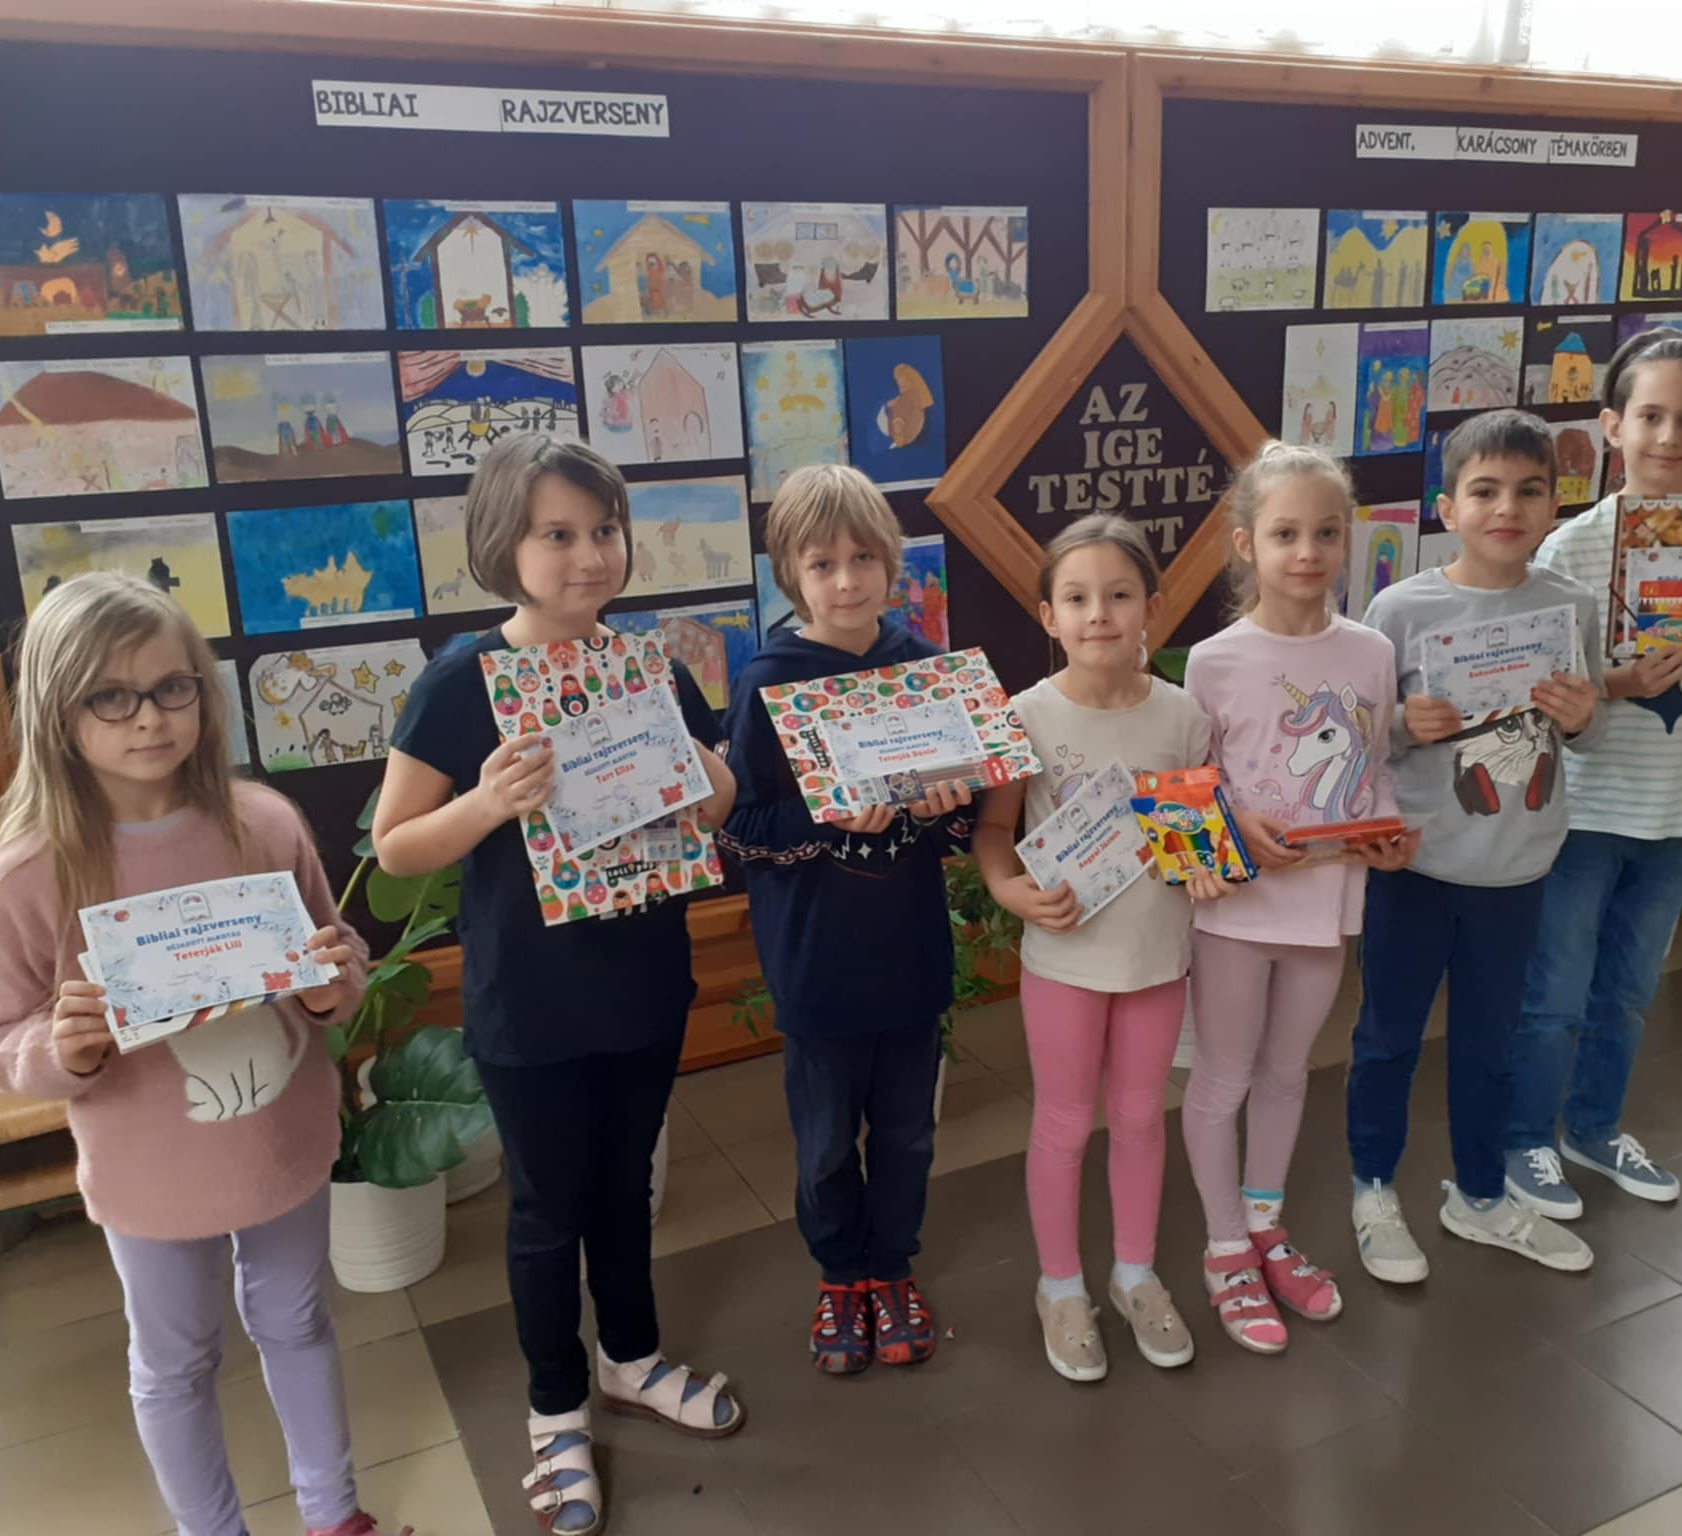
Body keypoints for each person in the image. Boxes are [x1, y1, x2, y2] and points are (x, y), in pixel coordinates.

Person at [0, 573, 404, 1536]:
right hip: (150, 1169)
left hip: (282, 1141)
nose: (149, 718)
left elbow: (333, 960)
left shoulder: (264, 823)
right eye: (110, 698)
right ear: (57, 710)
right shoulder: (28, 869)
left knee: (298, 1320)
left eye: (172, 688)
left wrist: (332, 986)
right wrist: (62, 1049)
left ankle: (334, 1515)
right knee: (174, 1363)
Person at [373, 436, 742, 1536]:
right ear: (505, 544)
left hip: (644, 977)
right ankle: (554, 1407)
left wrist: (702, 768)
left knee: (624, 1186)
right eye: (557, 533)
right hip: (529, 999)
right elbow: (396, 846)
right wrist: (487, 802)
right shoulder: (462, 680)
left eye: (604, 530)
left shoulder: (649, 664)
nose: (589, 555)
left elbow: (715, 803)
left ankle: (630, 1357)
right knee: (546, 1209)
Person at [1504, 331, 1682, 1217]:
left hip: (1678, 808)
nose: (1669, 436)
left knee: (1626, 992)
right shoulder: (1570, 550)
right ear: (1612, 426)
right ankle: (1523, 1140)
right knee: (1554, 994)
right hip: (1584, 810)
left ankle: (1592, 1127)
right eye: (1651, 415)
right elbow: (1543, 688)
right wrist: (1622, 683)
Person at [719, 466, 975, 1377]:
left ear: (891, 562)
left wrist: (947, 806)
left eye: (863, 558)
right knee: (826, 1141)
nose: (846, 580)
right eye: (821, 563)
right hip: (816, 960)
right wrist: (826, 817)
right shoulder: (768, 680)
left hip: (909, 953)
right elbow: (739, 830)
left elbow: (961, 824)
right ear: (790, 573)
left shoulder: (923, 667)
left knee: (907, 1134)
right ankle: (840, 1275)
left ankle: (892, 1268)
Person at [1349, 410, 1605, 1284]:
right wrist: (1400, 726)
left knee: (1490, 1045)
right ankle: (1373, 1189)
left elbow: (1589, 733)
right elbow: (1363, 742)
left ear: (1553, 504)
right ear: (1448, 508)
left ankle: (1483, 1195)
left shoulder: (1570, 607)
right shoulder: (1400, 609)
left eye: (1529, 491)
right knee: (1388, 1037)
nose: (1507, 508)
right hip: (1418, 865)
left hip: (1518, 867)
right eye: (1485, 491)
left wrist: (1585, 718)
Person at [1180, 441, 1418, 1355]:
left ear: (1347, 538)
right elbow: (1194, 788)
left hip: (1327, 906)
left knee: (1288, 1073)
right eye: (1285, 534)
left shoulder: (1372, 652)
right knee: (1223, 1077)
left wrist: (1387, 834)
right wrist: (1233, 825)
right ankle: (1224, 1248)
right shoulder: (1213, 661)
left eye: (1326, 532)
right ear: (1247, 543)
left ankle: (1265, 1225)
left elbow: (1374, 767)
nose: (1308, 551)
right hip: (1235, 914)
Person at [970, 515, 1219, 1382]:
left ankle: (1135, 1274)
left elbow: (1195, 842)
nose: (1099, 614)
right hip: (1066, 961)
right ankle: (1061, 1286)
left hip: (1156, 959)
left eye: (1118, 595)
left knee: (1144, 1116)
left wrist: (1207, 865)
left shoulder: (1182, 715)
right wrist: (1009, 890)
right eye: (1076, 598)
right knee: (1066, 1121)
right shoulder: (1026, 716)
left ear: (1153, 606)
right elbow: (994, 832)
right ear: (1048, 616)